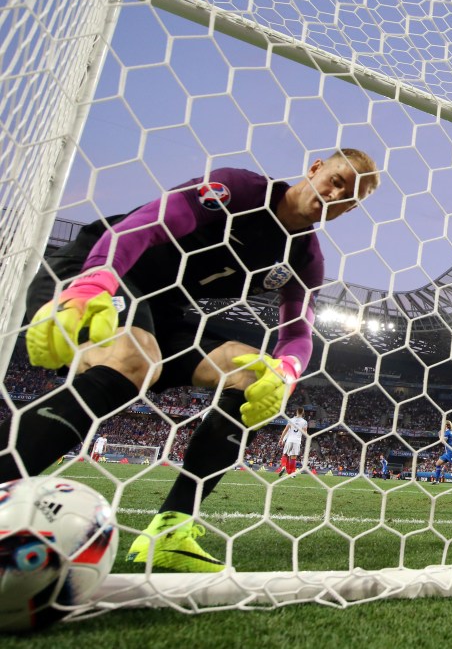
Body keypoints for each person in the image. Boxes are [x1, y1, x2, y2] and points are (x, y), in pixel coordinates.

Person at [0, 150, 379, 573]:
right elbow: (141, 227)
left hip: (164, 311)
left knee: (253, 374)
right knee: (134, 357)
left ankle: (171, 530)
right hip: (97, 267)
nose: (337, 195)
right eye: (338, 180)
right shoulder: (240, 189)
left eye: (351, 198)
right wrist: (95, 280)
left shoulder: (305, 259)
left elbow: (297, 334)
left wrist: (286, 371)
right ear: (315, 169)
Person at [277, 406, 308, 478]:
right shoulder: (304, 422)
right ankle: (292, 473)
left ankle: (283, 467)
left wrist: (281, 439)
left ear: (296, 412)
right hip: (297, 441)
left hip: (289, 439)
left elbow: (285, 430)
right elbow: (305, 432)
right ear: (303, 413)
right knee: (293, 457)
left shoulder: (291, 420)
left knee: (285, 455)